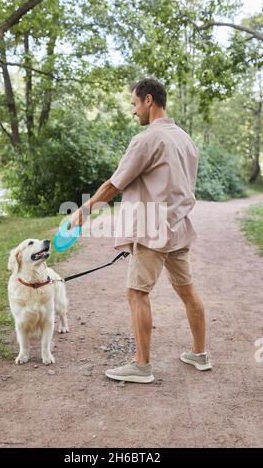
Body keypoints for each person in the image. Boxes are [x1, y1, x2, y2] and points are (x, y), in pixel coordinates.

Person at [70, 77, 212, 383]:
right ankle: (199, 354)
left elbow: (113, 184)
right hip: (178, 227)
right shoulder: (186, 139)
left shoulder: (147, 139)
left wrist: (83, 211)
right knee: (188, 292)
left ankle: (142, 365)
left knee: (136, 293)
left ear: (149, 100)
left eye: (135, 103)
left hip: (152, 230)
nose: (134, 111)